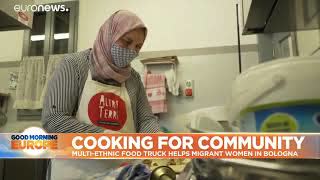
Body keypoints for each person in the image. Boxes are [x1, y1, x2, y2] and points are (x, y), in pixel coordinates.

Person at [42, 10, 161, 180]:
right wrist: (104, 138)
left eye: (137, 47)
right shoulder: (74, 65)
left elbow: (146, 120)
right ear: (109, 35)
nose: (131, 51)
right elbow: (54, 119)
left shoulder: (132, 77)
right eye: (126, 41)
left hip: (122, 173)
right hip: (75, 172)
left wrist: (158, 142)